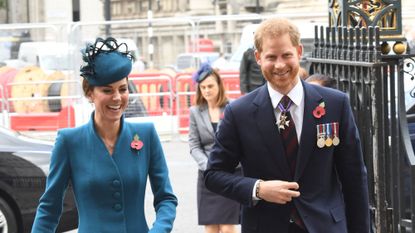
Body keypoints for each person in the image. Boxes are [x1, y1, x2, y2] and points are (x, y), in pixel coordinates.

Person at [204, 18, 370, 233]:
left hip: (325, 226)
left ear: (299, 52)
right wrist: (258, 188)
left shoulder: (335, 104)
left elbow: (354, 177)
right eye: (271, 57)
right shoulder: (239, 112)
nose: (280, 65)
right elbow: (213, 174)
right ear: (258, 57)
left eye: (286, 55)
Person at [31, 37, 177, 233]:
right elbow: (50, 208)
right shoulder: (69, 141)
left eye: (122, 89)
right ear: (90, 93)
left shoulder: (146, 135)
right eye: (107, 90)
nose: (117, 97)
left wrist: (158, 230)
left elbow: (166, 199)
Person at [189, 63, 241, 233]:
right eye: (203, 87)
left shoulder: (233, 107)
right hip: (207, 174)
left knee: (227, 228)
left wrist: (225, 165)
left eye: (210, 86)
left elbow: (241, 141)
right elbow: (194, 145)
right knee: (211, 228)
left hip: (230, 173)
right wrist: (209, 166)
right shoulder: (195, 112)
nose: (206, 90)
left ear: (219, 85)